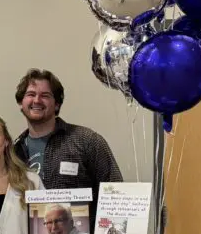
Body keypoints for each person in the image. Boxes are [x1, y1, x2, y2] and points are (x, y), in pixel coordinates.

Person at [13, 69, 123, 203]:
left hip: (79, 224)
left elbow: (115, 190)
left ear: (57, 104)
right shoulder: (13, 151)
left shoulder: (87, 140)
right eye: (31, 94)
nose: (37, 100)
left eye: (45, 95)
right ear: (20, 103)